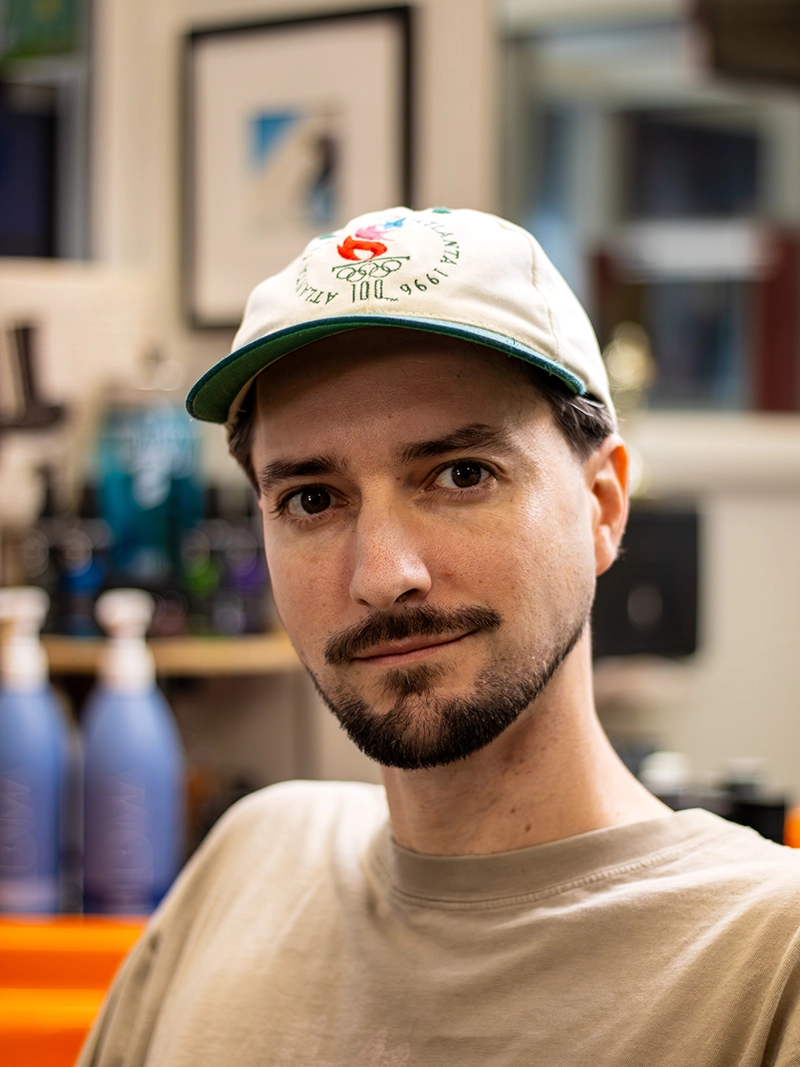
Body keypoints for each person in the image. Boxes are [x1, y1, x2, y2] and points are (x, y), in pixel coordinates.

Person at [79, 208, 800, 1067]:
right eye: (312, 497)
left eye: (461, 475)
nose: (383, 574)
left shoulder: (763, 961)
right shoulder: (246, 861)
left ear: (603, 506)